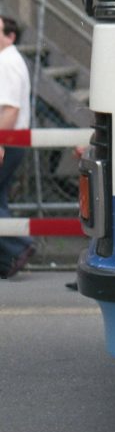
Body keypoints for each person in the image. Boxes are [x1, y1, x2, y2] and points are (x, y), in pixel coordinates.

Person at [0, 15, 35, 279]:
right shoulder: (10, 60)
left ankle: (19, 246)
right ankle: (8, 257)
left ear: (10, 36)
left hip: (8, 141)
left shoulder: (7, 62)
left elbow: (10, 109)